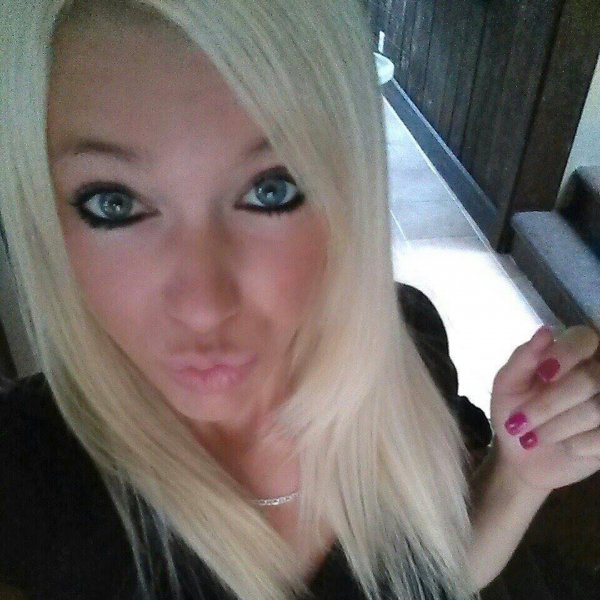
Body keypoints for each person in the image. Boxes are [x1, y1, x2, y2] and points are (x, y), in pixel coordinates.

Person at [0, 1, 599, 599]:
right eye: (114, 203)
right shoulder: (31, 476)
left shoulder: (404, 341)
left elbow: (435, 580)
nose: (203, 307)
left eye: (271, 190)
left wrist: (519, 478)